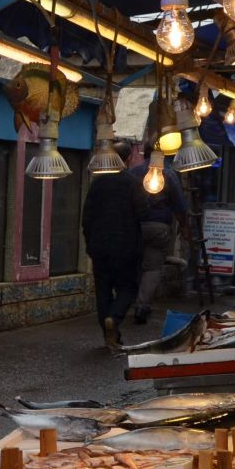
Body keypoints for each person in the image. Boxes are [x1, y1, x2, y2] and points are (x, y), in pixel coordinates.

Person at [82, 139, 148, 351]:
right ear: (128, 159)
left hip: (99, 247)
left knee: (103, 290)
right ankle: (114, 317)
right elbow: (143, 212)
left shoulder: (97, 183)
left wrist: (90, 243)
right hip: (126, 247)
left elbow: (86, 217)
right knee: (128, 287)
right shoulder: (132, 183)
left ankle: (109, 335)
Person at [127, 145, 188, 324]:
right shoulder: (168, 174)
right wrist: (184, 226)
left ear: (144, 154)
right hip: (159, 227)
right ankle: (142, 306)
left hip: (135, 226)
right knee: (152, 268)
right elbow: (180, 205)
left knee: (135, 264)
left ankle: (126, 301)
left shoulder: (133, 173)